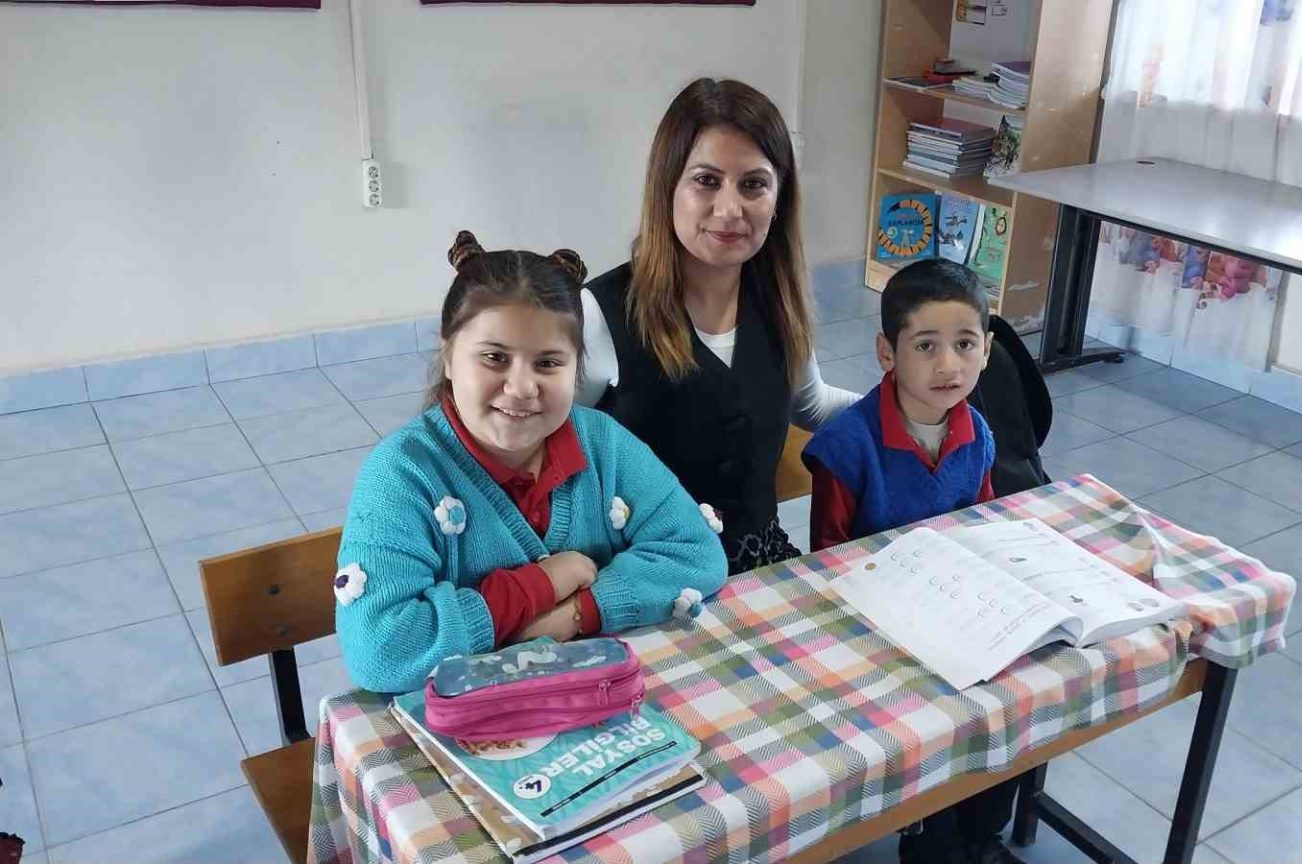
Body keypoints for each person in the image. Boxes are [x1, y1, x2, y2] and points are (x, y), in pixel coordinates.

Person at [335, 231, 728, 694]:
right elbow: (381, 651)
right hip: (476, 726)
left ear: (576, 366)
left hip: (601, 702)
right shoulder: (403, 475)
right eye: (494, 357)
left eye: (548, 363)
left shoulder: (603, 443)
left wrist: (579, 612)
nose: (521, 388)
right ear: (449, 356)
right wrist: (541, 583)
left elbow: (697, 552)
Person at [579, 77, 857, 573]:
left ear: (779, 198)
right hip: (646, 576)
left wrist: (910, 401)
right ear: (667, 186)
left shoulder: (779, 302)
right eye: (707, 180)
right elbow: (545, 448)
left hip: (761, 564)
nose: (730, 210)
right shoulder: (600, 312)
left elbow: (811, 404)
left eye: (753, 184)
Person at [800, 258, 1022, 864]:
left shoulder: (978, 432)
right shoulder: (848, 446)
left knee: (1018, 701)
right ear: (887, 352)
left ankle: (983, 836)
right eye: (926, 345)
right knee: (939, 728)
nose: (948, 365)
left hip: (955, 617)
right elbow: (830, 564)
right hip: (873, 628)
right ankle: (931, 839)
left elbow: (982, 531)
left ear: (987, 350)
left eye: (965, 344)